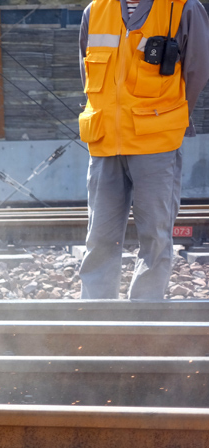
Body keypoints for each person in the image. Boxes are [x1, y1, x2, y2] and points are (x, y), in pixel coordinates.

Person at [77, 0, 209, 299]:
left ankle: (145, 312)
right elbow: (88, 75)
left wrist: (170, 117)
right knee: (99, 236)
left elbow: (197, 71)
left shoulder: (184, 8)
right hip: (105, 142)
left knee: (155, 237)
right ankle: (95, 314)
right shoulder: (95, 11)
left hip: (156, 142)